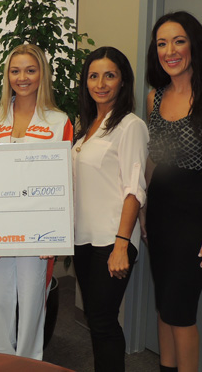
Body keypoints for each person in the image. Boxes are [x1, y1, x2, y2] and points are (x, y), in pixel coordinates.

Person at [144, 11, 202, 372]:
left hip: (197, 217)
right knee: (164, 306)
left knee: (181, 312)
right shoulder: (154, 97)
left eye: (178, 41)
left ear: (193, 45)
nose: (170, 50)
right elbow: (153, 161)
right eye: (162, 43)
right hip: (160, 214)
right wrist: (142, 211)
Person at [0, 43, 73, 360]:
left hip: (38, 231)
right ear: (7, 76)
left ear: (41, 75)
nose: (23, 78)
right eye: (16, 70)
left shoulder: (59, 121)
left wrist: (56, 230)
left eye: (30, 70)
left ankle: (30, 364)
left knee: (33, 302)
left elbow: (65, 181)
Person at [71, 47, 148, 371]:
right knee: (96, 319)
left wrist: (121, 244)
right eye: (93, 75)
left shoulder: (130, 125)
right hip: (83, 239)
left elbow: (135, 189)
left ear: (122, 81)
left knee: (103, 321)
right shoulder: (87, 126)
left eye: (110, 75)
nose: (100, 83)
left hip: (111, 240)